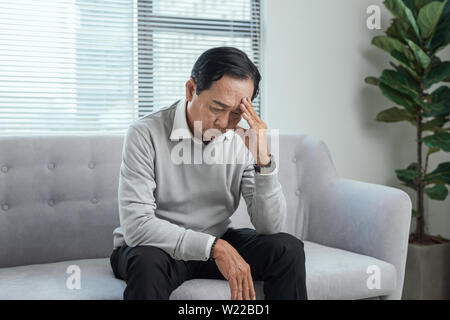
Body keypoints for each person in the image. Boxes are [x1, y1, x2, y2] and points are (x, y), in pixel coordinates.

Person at [109, 46, 307, 300]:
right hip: (156, 247)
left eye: (236, 113)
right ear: (191, 90)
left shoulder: (241, 139)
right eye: (217, 108)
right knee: (146, 263)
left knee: (287, 249)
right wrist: (213, 247)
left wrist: (263, 160)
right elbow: (137, 226)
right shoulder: (144, 132)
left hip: (216, 239)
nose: (224, 123)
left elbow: (270, 227)